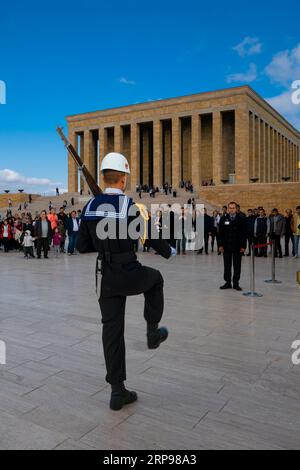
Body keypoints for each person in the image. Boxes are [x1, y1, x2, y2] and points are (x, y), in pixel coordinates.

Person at [76, 152, 175, 411]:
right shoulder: (128, 205)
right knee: (155, 280)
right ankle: (152, 332)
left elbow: (81, 246)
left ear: (104, 177)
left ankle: (117, 392)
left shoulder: (89, 207)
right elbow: (147, 236)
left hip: (105, 277)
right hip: (128, 270)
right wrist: (168, 251)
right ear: (122, 179)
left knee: (112, 332)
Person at [218, 201, 247, 291]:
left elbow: (244, 233)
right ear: (228, 209)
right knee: (227, 266)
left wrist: (243, 246)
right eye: (230, 208)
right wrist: (220, 245)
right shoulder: (223, 218)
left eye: (233, 208)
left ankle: (236, 283)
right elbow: (220, 233)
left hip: (238, 247)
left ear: (236, 208)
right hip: (226, 246)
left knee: (237, 266)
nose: (231, 209)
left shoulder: (241, 218)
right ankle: (227, 283)